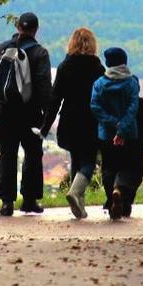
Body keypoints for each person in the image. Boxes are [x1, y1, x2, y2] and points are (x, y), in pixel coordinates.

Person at [0, 11, 51, 216]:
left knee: (7, 154)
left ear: (17, 27)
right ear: (36, 29)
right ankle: (29, 200)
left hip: (5, 112)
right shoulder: (40, 53)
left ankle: (7, 202)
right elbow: (43, 86)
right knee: (32, 154)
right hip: (30, 113)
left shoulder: (2, 48)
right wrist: (45, 113)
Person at [41, 27, 105, 219]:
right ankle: (76, 193)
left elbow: (55, 98)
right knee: (89, 162)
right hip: (90, 120)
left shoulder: (64, 66)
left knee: (76, 158)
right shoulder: (98, 68)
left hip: (69, 120)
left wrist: (46, 126)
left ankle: (80, 206)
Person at [90, 47, 140, 221]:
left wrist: (112, 123)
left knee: (109, 167)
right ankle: (120, 190)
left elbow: (95, 106)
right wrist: (122, 128)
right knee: (128, 167)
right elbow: (133, 108)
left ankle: (112, 197)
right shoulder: (132, 82)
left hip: (105, 134)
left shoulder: (99, 83)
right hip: (129, 134)